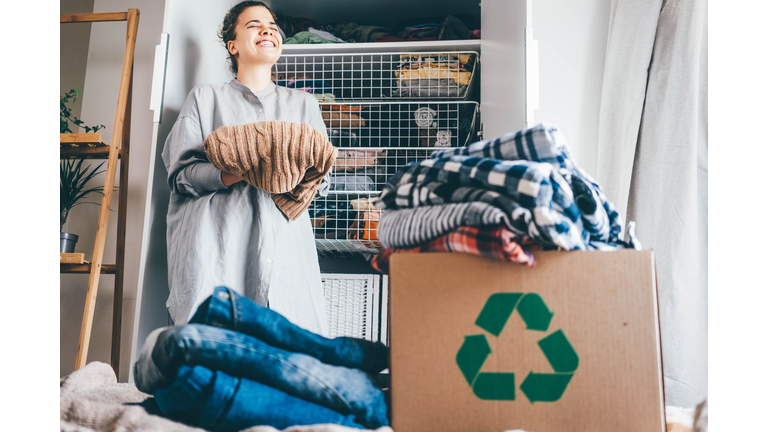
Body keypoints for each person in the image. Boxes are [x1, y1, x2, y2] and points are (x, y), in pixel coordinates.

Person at [161, 1, 330, 336]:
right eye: (254, 24)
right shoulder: (205, 99)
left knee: (283, 358)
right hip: (217, 247)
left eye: (272, 25)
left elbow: (321, 181)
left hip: (285, 253)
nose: (268, 30)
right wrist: (244, 169)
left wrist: (284, 168)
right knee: (211, 353)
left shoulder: (304, 105)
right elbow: (181, 176)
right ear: (233, 45)